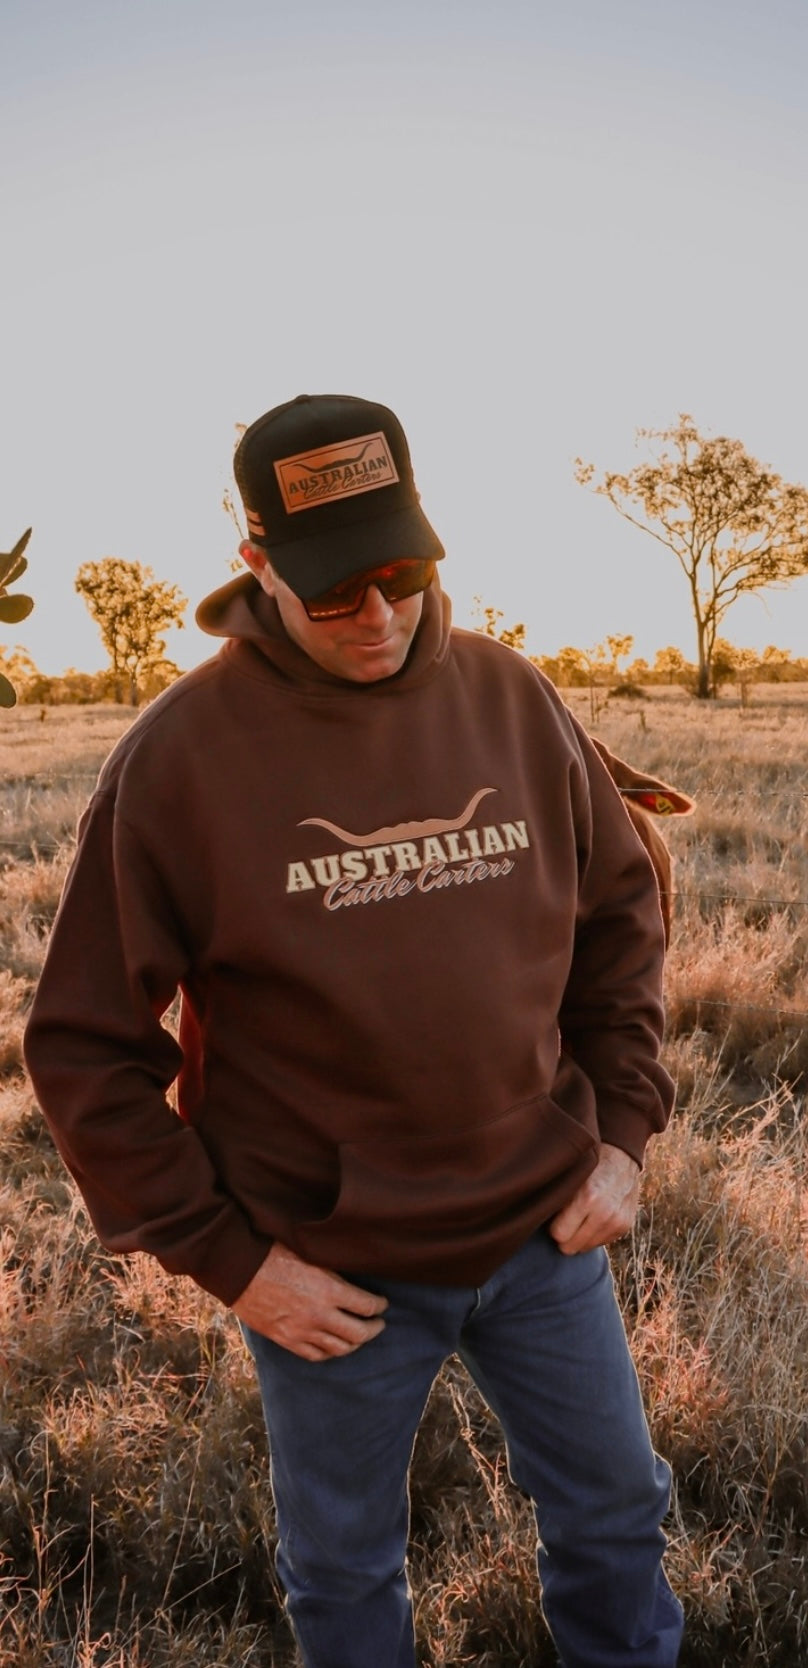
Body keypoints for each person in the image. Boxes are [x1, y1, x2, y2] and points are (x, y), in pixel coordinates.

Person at [24, 393, 684, 1668]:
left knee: (615, 1516)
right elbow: (83, 1047)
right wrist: (233, 1262)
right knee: (344, 1574)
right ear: (258, 564)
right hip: (331, 1274)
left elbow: (620, 913)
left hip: (546, 1230)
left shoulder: (512, 697)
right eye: (335, 591)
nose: (379, 616)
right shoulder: (178, 761)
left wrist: (623, 1137)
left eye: (404, 574)